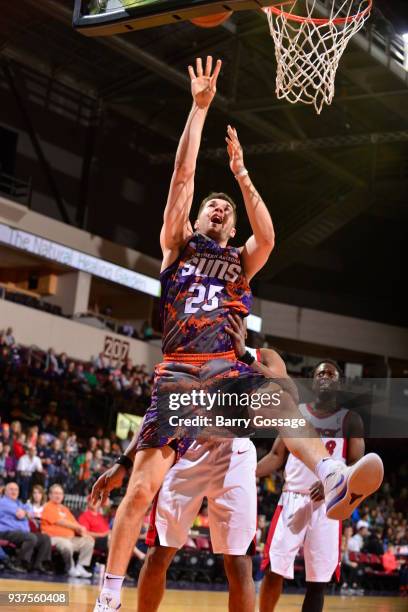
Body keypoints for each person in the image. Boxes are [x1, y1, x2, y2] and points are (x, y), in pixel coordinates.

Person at [91, 57, 383, 612]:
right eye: (211, 205)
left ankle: (333, 476)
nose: (218, 208)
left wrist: (243, 174)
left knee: (274, 397)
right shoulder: (177, 248)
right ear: (196, 220)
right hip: (178, 376)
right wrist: (198, 111)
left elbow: (269, 237)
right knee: (138, 493)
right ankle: (108, 600)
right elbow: (181, 180)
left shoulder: (241, 261)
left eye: (225, 208)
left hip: (225, 370)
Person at [137, 314, 286, 612]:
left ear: (244, 323)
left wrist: (244, 354)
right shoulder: (193, 350)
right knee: (159, 552)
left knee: (240, 561)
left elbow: (288, 393)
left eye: (235, 316)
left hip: (235, 453)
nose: (227, 321)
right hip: (189, 448)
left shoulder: (264, 356)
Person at [257, 360, 366, 612]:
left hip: (327, 506)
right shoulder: (297, 414)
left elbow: (358, 466)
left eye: (331, 374)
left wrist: (333, 480)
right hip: (292, 499)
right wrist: (249, 472)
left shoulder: (350, 420)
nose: (325, 377)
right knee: (274, 569)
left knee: (318, 581)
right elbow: (275, 456)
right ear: (314, 381)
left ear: (339, 383)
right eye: (320, 374)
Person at [41, 484, 94, 578]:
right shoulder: (47, 506)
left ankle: (80, 566)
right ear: (50, 495)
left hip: (70, 538)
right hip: (54, 538)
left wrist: (83, 532)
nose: (58, 496)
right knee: (66, 544)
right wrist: (78, 527)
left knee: (89, 541)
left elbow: (75, 523)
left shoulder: (64, 509)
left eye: (60, 494)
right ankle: (70, 568)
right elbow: (59, 521)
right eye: (56, 493)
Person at [0, 482, 52, 574]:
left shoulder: (19, 503)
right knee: (30, 537)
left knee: (45, 538)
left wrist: (26, 512)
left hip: (20, 533)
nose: (14, 491)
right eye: (11, 489)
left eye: (16, 489)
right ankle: (19, 563)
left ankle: (38, 565)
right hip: (6, 532)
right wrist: (26, 513)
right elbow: (20, 515)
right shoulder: (3, 502)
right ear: (5, 491)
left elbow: (30, 512)